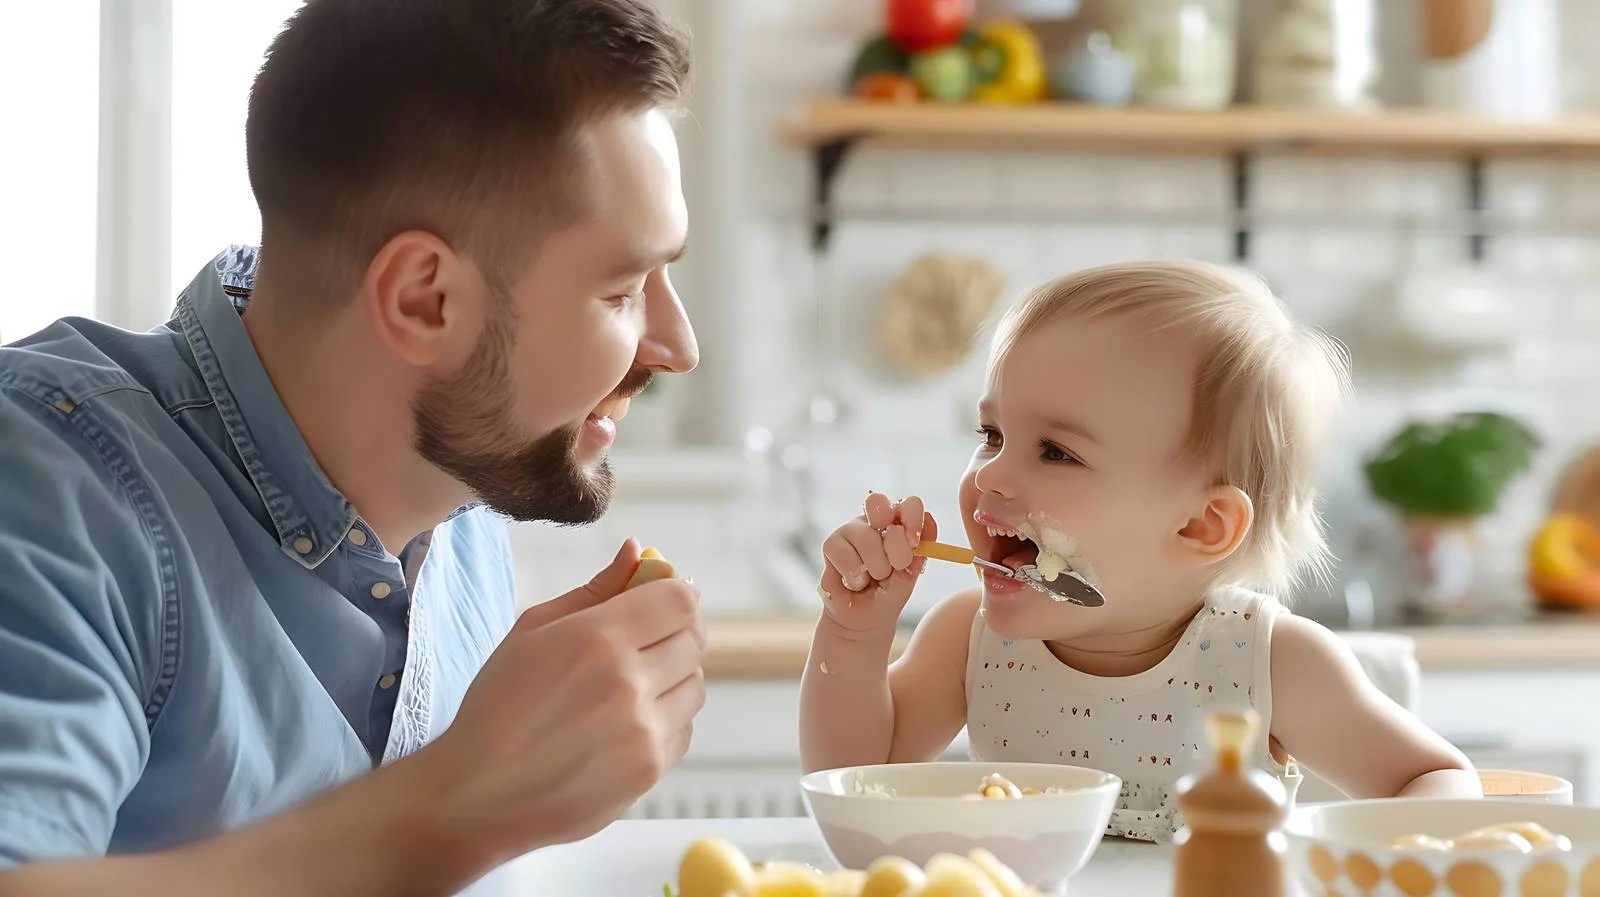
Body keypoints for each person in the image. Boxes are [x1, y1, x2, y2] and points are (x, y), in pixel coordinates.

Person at [0, 0, 705, 892]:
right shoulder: (47, 479)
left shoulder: (463, 491)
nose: (679, 346)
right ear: (423, 300)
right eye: (622, 291)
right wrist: (457, 805)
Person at [799, 260, 1481, 842]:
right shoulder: (967, 639)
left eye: (1055, 451)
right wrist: (854, 633)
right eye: (992, 435)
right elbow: (856, 783)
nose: (991, 475)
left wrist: (1400, 859)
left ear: (1200, 526)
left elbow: (1435, 777)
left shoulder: (1269, 662)